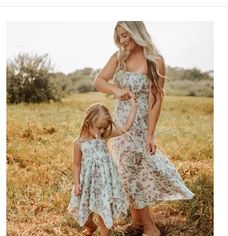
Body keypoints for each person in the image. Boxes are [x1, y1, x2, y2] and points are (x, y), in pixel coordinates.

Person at [93, 21, 194, 236]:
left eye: (126, 35)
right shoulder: (119, 57)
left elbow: (156, 99)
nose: (122, 40)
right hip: (120, 125)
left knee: (133, 174)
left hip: (139, 126)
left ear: (137, 33)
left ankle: (150, 228)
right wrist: (115, 90)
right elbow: (99, 81)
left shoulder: (155, 61)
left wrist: (150, 134)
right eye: (119, 36)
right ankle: (138, 223)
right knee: (126, 171)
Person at [67, 96, 138, 236]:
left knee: (103, 210)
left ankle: (104, 233)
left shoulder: (104, 136)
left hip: (104, 183)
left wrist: (133, 107)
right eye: (99, 127)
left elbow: (126, 128)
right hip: (87, 182)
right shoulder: (79, 143)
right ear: (88, 123)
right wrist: (76, 183)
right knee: (85, 214)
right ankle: (91, 226)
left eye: (105, 127)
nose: (101, 131)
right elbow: (76, 165)